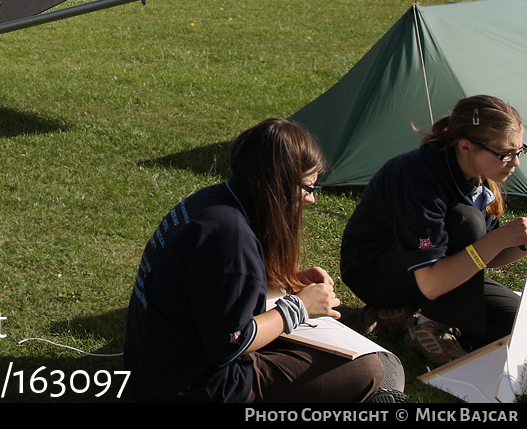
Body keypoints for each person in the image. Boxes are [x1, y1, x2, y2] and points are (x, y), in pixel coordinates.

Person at [125, 118, 387, 402]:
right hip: (196, 387)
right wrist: (299, 307)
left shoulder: (212, 201)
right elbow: (230, 343)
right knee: (369, 369)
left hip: (151, 368)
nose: (311, 200)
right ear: (278, 186)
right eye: (308, 188)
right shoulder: (233, 240)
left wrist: (287, 282)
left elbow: (213, 284)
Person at [341, 95, 527, 361]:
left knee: (516, 328)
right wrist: (500, 239)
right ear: (466, 147)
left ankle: (400, 313)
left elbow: (488, 255)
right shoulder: (419, 177)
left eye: (519, 151)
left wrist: (520, 242)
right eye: (505, 154)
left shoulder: (479, 175)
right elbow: (430, 281)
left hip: (436, 274)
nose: (516, 162)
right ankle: (428, 326)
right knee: (468, 221)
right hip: (378, 273)